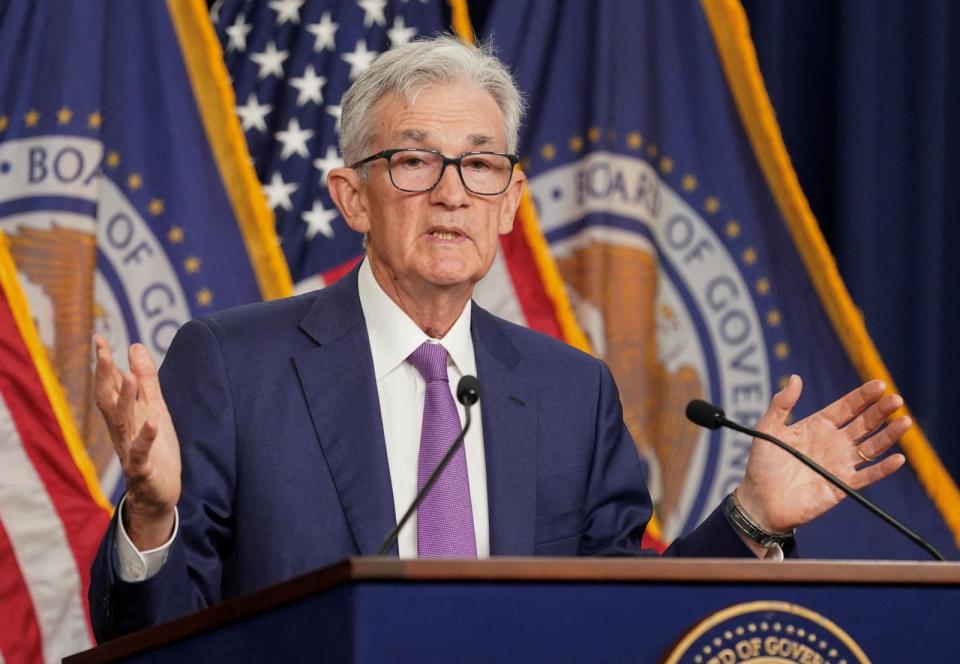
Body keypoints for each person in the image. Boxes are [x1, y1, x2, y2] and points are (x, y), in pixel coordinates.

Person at [88, 36, 909, 642]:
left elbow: (628, 623)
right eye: (413, 161)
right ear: (352, 197)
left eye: (480, 167)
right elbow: (147, 637)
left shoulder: (569, 391)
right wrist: (153, 518)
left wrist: (752, 517)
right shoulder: (234, 368)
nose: (452, 193)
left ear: (512, 199)